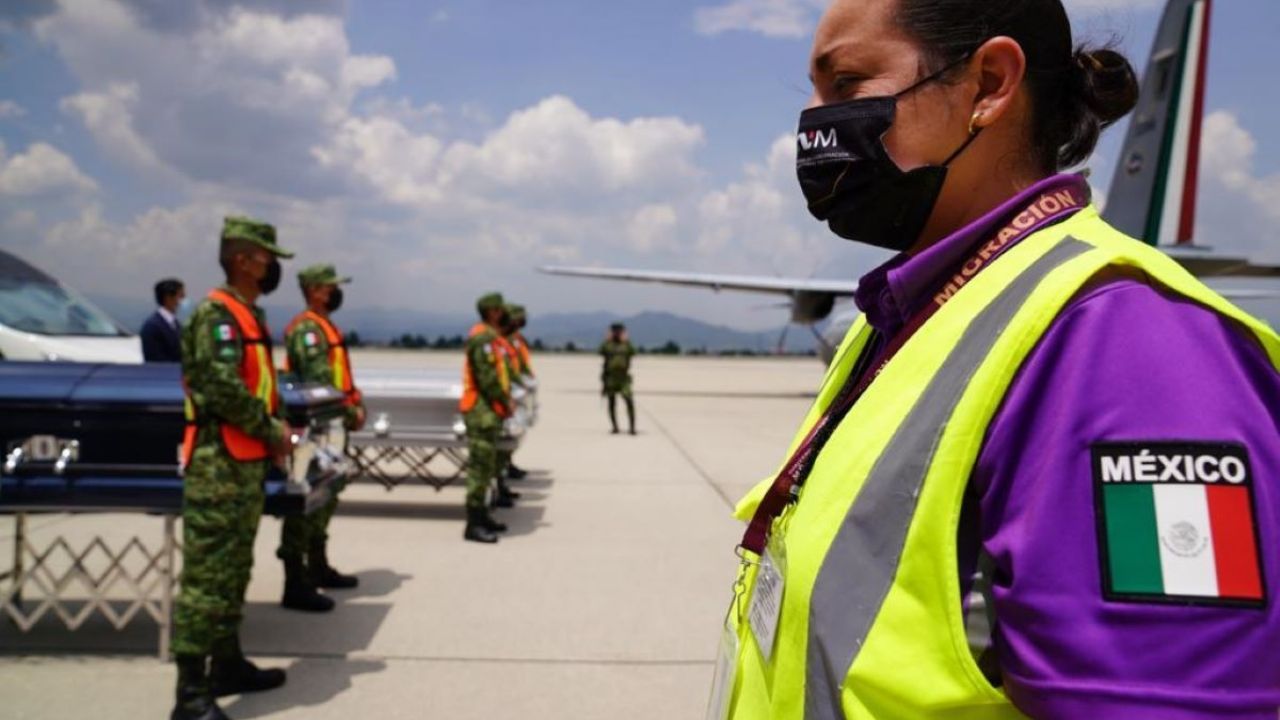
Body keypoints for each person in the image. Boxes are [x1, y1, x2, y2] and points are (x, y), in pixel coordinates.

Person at [715, 1, 1280, 718]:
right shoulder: (907, 316)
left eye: (847, 83)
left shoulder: (1130, 351)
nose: (813, 122)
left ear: (988, 84)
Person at [173, 217, 293, 720]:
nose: (273, 267)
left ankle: (226, 664)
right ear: (243, 260)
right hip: (218, 465)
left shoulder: (247, 314)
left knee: (234, 570)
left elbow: (259, 384)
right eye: (267, 258)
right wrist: (270, 431)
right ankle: (190, 694)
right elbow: (222, 388)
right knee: (206, 580)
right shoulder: (216, 316)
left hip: (243, 464)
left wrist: (274, 430)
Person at [276, 263, 366, 612]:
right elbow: (321, 382)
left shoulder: (324, 327)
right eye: (331, 287)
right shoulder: (308, 331)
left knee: (325, 498)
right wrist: (350, 411)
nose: (336, 293)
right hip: (315, 429)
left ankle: (317, 565)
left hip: (331, 427)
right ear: (314, 291)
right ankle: (294, 581)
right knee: (305, 502)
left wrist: (354, 405)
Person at [459, 292, 514, 543]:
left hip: (489, 411)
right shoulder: (482, 339)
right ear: (492, 312)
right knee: (479, 469)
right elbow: (487, 378)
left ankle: (482, 517)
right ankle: (473, 524)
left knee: (486, 467)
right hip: (481, 411)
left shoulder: (490, 337)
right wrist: (504, 400)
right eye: (501, 309)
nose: (504, 313)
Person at [504, 303, 534, 480]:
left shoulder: (517, 338)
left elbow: (520, 362)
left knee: (514, 431)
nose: (523, 320)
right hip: (508, 390)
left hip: (516, 388)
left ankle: (507, 464)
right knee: (508, 432)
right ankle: (505, 467)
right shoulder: (505, 339)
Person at [599, 322, 635, 435]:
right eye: (615, 331)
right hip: (611, 378)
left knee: (629, 400)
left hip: (623, 378)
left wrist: (627, 341)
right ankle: (615, 427)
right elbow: (600, 351)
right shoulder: (608, 345)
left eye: (619, 331)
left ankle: (632, 428)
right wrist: (607, 340)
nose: (617, 333)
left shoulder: (626, 345)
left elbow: (633, 352)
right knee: (611, 402)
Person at [141, 278, 185, 362]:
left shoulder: (175, 324)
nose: (183, 300)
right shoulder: (152, 327)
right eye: (181, 296)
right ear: (168, 298)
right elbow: (155, 360)